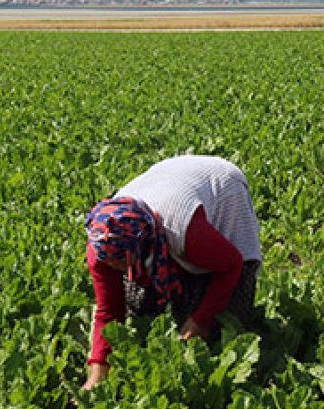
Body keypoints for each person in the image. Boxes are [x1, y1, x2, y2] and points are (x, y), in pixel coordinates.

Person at [83, 155, 263, 390]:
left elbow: (232, 265)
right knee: (138, 300)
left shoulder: (185, 231)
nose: (117, 270)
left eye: (124, 262)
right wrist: (98, 371)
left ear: (143, 246)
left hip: (221, 182)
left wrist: (200, 322)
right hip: (169, 179)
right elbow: (108, 310)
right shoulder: (102, 244)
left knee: (228, 311)